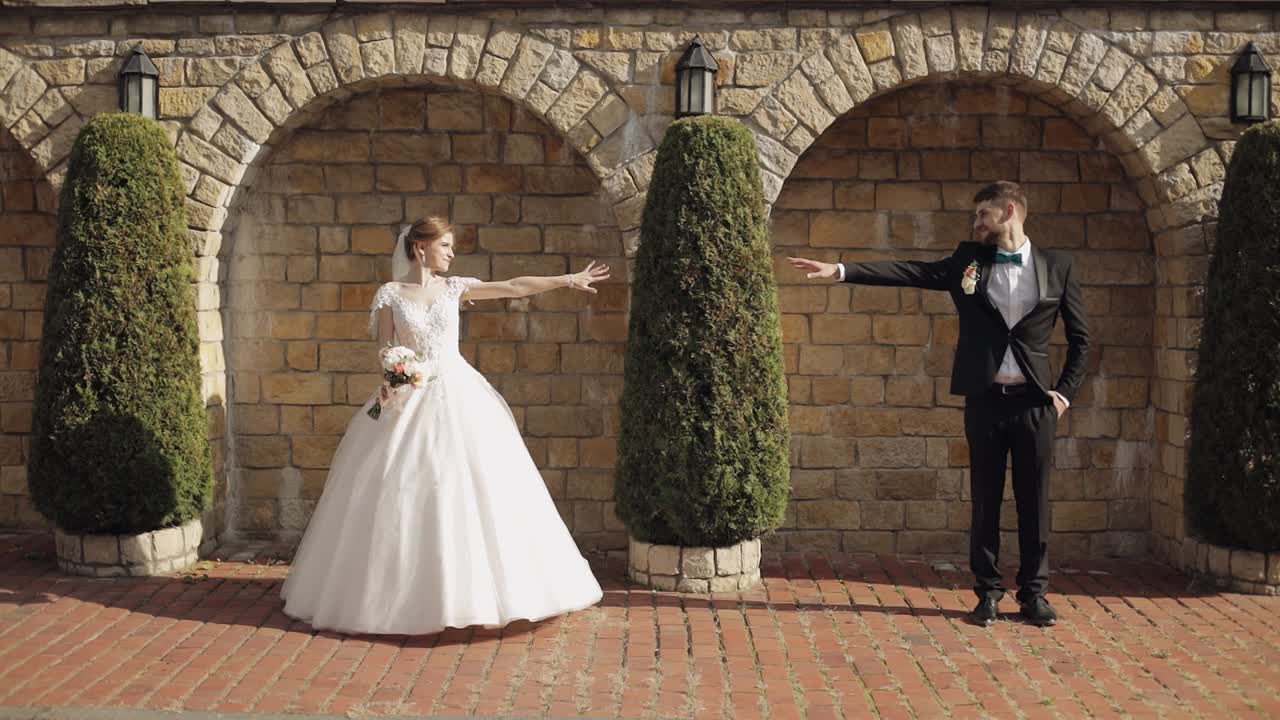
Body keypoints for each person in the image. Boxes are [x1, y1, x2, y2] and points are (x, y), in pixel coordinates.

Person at [281, 216, 608, 635]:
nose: (452, 253)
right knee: (401, 486)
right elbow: (385, 345)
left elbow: (512, 287)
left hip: (460, 394)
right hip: (408, 394)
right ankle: (394, 597)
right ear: (421, 247)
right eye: (446, 245)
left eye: (452, 247)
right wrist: (393, 374)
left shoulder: (454, 288)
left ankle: (485, 592)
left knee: (476, 484)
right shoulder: (391, 294)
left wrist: (567, 278)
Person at [788, 181, 1090, 627]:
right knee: (985, 501)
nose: (976, 224)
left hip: (1034, 405)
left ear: (1008, 211)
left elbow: (1082, 340)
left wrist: (1063, 395)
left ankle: (1034, 595)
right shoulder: (967, 262)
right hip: (983, 400)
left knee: (1035, 503)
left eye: (982, 216)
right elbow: (911, 272)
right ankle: (987, 594)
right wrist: (841, 270)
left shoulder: (1057, 266)